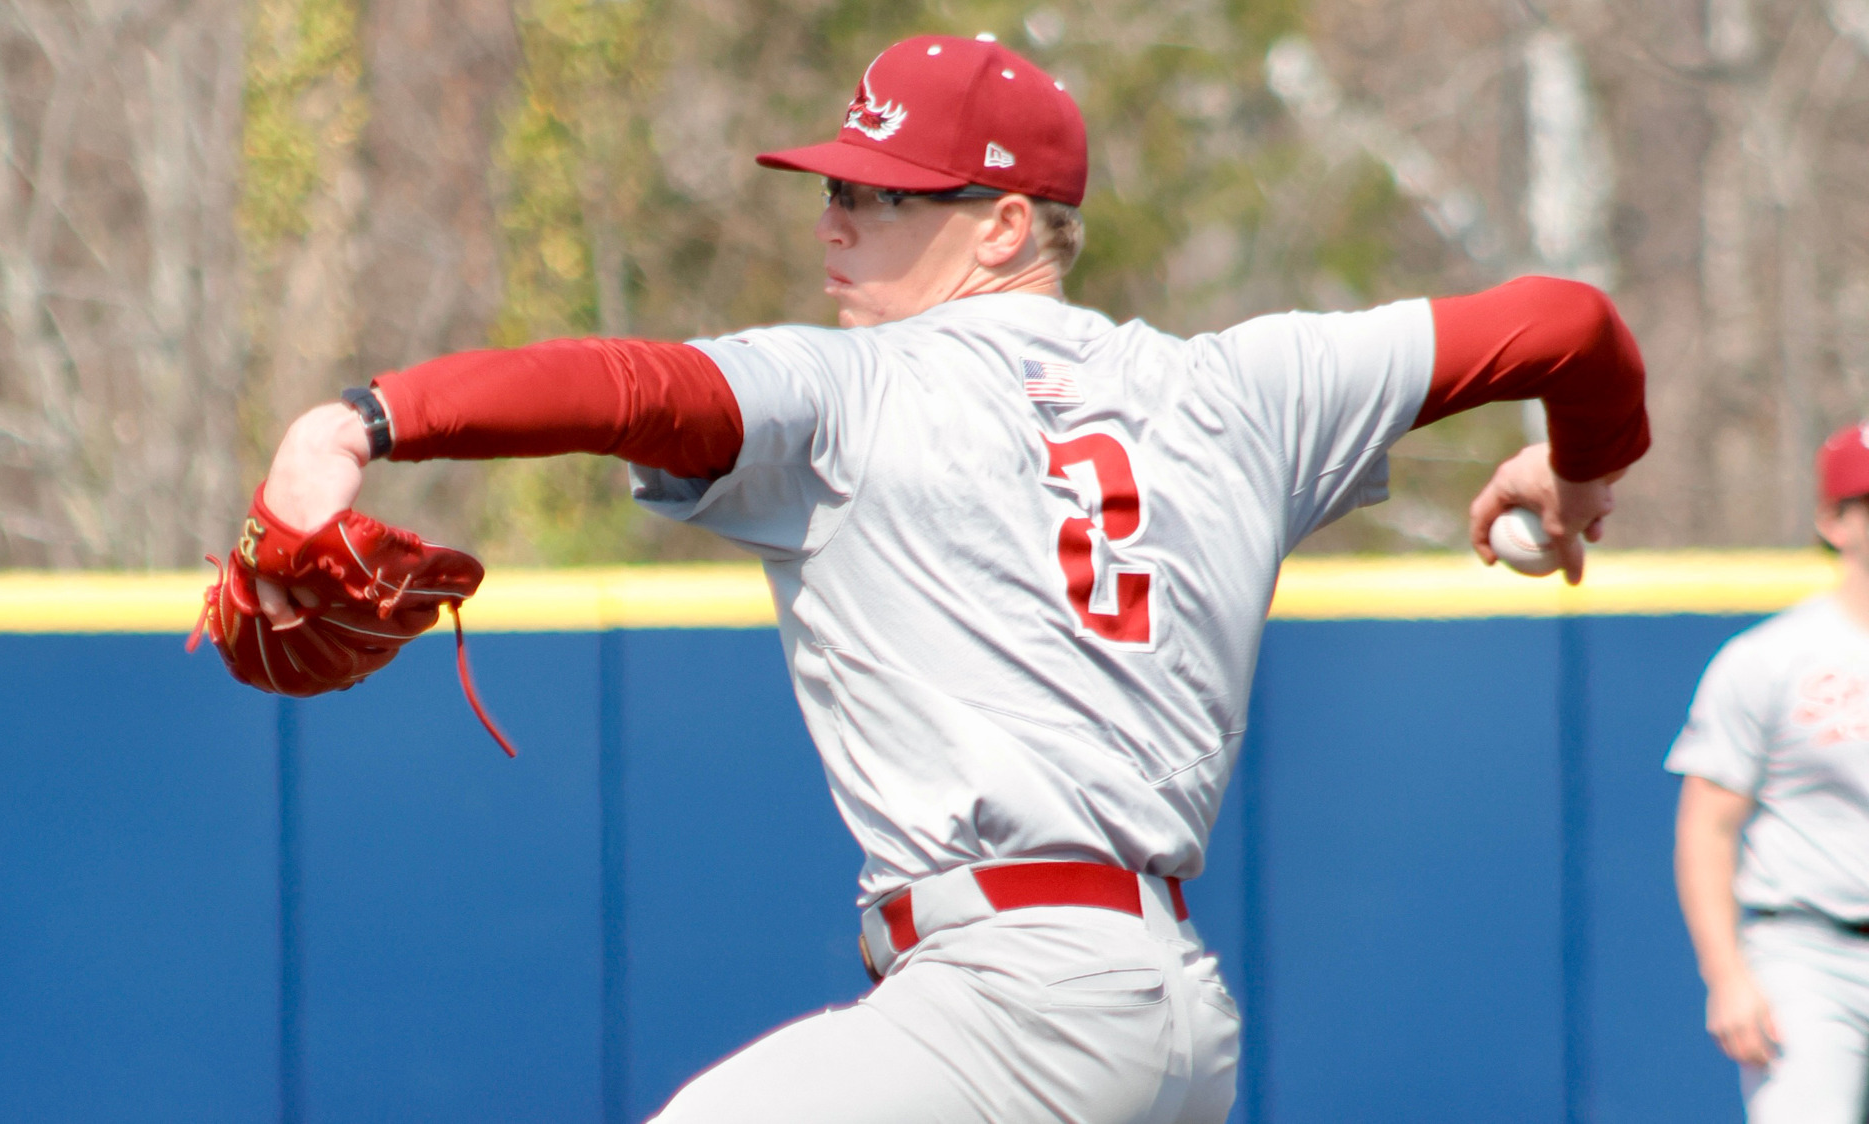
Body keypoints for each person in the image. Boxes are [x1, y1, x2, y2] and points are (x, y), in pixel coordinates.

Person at [251, 34, 1647, 1124]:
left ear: (1004, 226)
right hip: (1161, 1016)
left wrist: (364, 421)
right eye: (835, 188)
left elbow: (630, 386)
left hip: (1011, 1009)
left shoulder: (851, 388)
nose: (834, 221)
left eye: (881, 196)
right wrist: (1581, 473)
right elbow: (1569, 326)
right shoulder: (1245, 386)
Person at [1669, 422, 1869, 1124]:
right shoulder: (1770, 658)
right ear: (1834, 521)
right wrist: (1727, 977)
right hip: (1812, 953)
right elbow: (1708, 827)